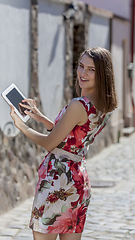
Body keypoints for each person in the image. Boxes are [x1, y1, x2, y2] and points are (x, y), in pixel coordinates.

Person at [10, 47, 117, 240]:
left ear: (102, 73)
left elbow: (51, 143)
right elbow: (71, 137)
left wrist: (22, 127)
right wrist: (40, 117)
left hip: (57, 181)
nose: (82, 73)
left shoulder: (79, 104)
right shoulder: (103, 105)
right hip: (77, 181)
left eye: (91, 69)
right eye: (81, 66)